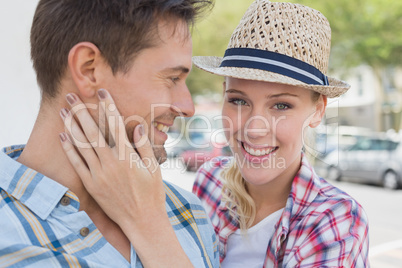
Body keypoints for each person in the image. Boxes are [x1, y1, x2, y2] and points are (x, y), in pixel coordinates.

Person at [56, 0, 370, 267]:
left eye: (281, 106)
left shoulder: (335, 218)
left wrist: (145, 222)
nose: (254, 127)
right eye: (238, 101)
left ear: (317, 110)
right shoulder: (211, 181)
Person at [0, 0, 219, 267]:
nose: (188, 107)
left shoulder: (187, 212)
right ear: (88, 69)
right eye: (172, 78)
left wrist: (151, 227)